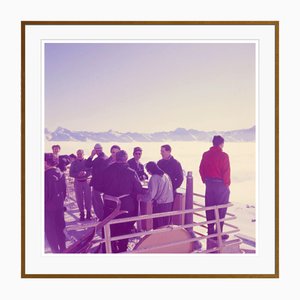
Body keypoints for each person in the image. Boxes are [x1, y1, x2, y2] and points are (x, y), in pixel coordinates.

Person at [102, 150, 143, 253]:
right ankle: (122, 251)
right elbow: (138, 189)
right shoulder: (131, 172)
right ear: (126, 159)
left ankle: (111, 250)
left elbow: (100, 186)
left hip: (109, 205)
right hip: (125, 206)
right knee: (124, 230)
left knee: (111, 229)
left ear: (116, 158)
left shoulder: (107, 170)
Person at [199, 135, 231, 240]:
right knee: (221, 209)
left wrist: (206, 181)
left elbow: (201, 169)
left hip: (209, 185)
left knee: (210, 208)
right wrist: (226, 185)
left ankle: (210, 231)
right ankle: (218, 233)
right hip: (220, 185)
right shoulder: (224, 156)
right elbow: (226, 172)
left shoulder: (206, 155)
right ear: (221, 144)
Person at [44, 153, 66, 253]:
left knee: (50, 231)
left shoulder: (45, 176)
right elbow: (64, 192)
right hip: (59, 207)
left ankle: (55, 252)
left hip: (48, 208)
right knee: (60, 229)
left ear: (45, 162)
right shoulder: (61, 174)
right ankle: (63, 249)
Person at [142, 161, 174, 229]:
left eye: (148, 171)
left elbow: (151, 195)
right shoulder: (165, 175)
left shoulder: (154, 178)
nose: (148, 173)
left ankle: (158, 239)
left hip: (160, 205)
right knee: (166, 225)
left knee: (158, 226)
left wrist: (141, 198)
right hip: (168, 203)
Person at [85, 143, 108, 221]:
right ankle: (104, 217)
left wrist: (91, 155)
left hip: (97, 185)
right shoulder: (106, 158)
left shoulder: (98, 159)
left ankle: (101, 218)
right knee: (103, 202)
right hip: (105, 184)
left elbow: (87, 165)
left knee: (97, 203)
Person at [69, 149, 92, 221]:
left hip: (86, 182)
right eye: (78, 154)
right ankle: (82, 213)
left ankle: (89, 213)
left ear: (83, 154)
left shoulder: (87, 162)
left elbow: (91, 171)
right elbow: (71, 173)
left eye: (81, 154)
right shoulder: (74, 163)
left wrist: (86, 173)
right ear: (76, 154)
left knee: (88, 198)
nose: (79, 155)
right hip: (78, 182)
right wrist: (77, 174)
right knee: (79, 198)